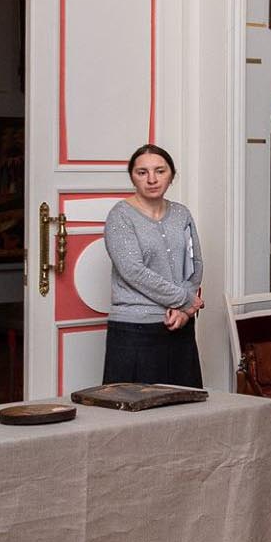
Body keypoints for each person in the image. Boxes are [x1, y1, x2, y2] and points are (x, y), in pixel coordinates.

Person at [102, 144, 204, 387]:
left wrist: (183, 311)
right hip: (134, 330)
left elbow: (195, 264)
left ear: (171, 175)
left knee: (185, 411)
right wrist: (184, 300)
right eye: (142, 172)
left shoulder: (181, 214)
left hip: (180, 326)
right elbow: (133, 271)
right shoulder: (120, 216)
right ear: (132, 178)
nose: (151, 179)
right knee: (136, 416)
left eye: (160, 171)